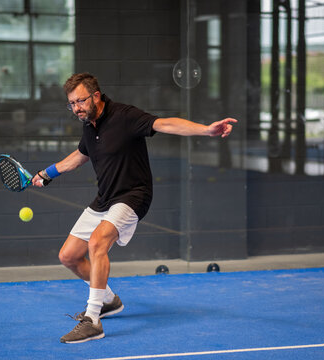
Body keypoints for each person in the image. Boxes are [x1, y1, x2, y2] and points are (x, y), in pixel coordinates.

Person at [32, 73, 237, 343]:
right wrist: (47, 173)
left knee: (97, 243)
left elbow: (165, 124)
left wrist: (206, 130)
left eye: (80, 101)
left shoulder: (125, 116)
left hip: (133, 195)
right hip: (105, 199)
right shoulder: (89, 124)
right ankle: (108, 301)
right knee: (69, 256)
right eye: (71, 104)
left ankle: (93, 320)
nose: (76, 108)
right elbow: (81, 155)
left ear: (96, 95)